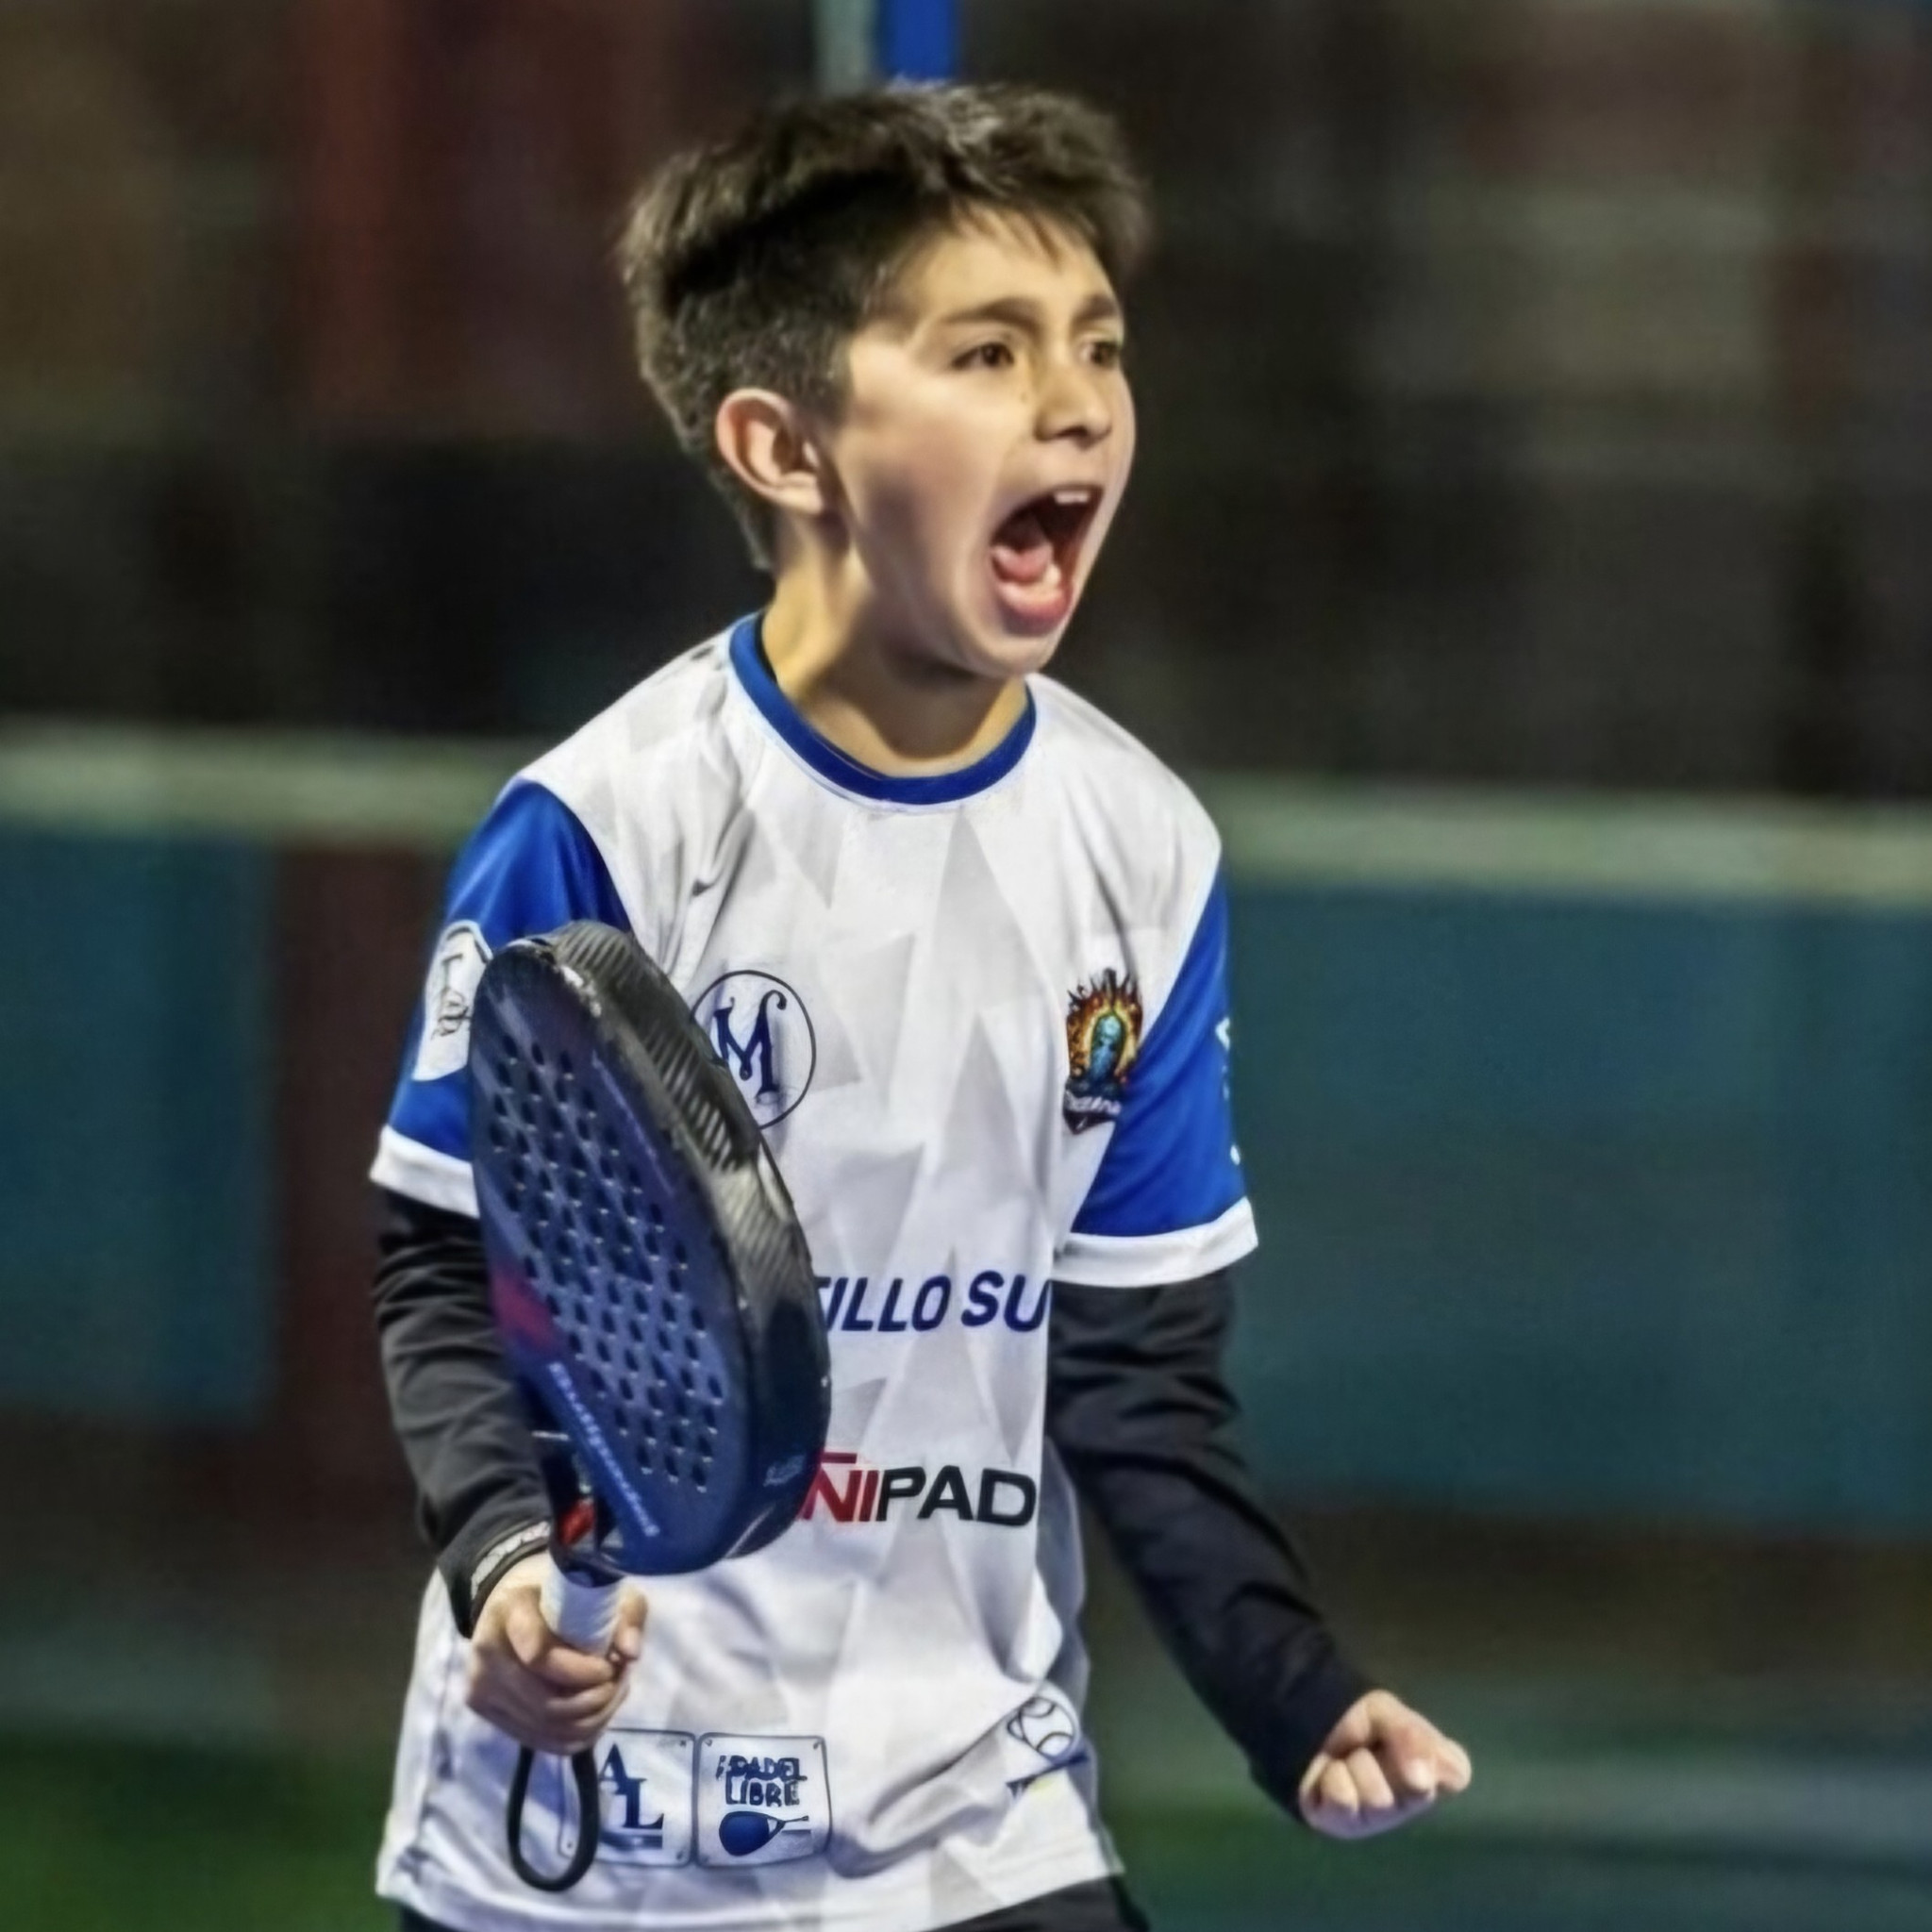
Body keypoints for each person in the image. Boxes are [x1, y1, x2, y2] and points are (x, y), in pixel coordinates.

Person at [369, 81, 1471, 1932]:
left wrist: (1293, 1691)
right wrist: (503, 1568)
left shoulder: (1141, 849)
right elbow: (445, 1273)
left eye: (1098, 347)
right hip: (604, 1837)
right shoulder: (607, 826)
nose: (1077, 404)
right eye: (988, 351)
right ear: (782, 445)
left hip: (974, 1816)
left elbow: (1132, 1372)